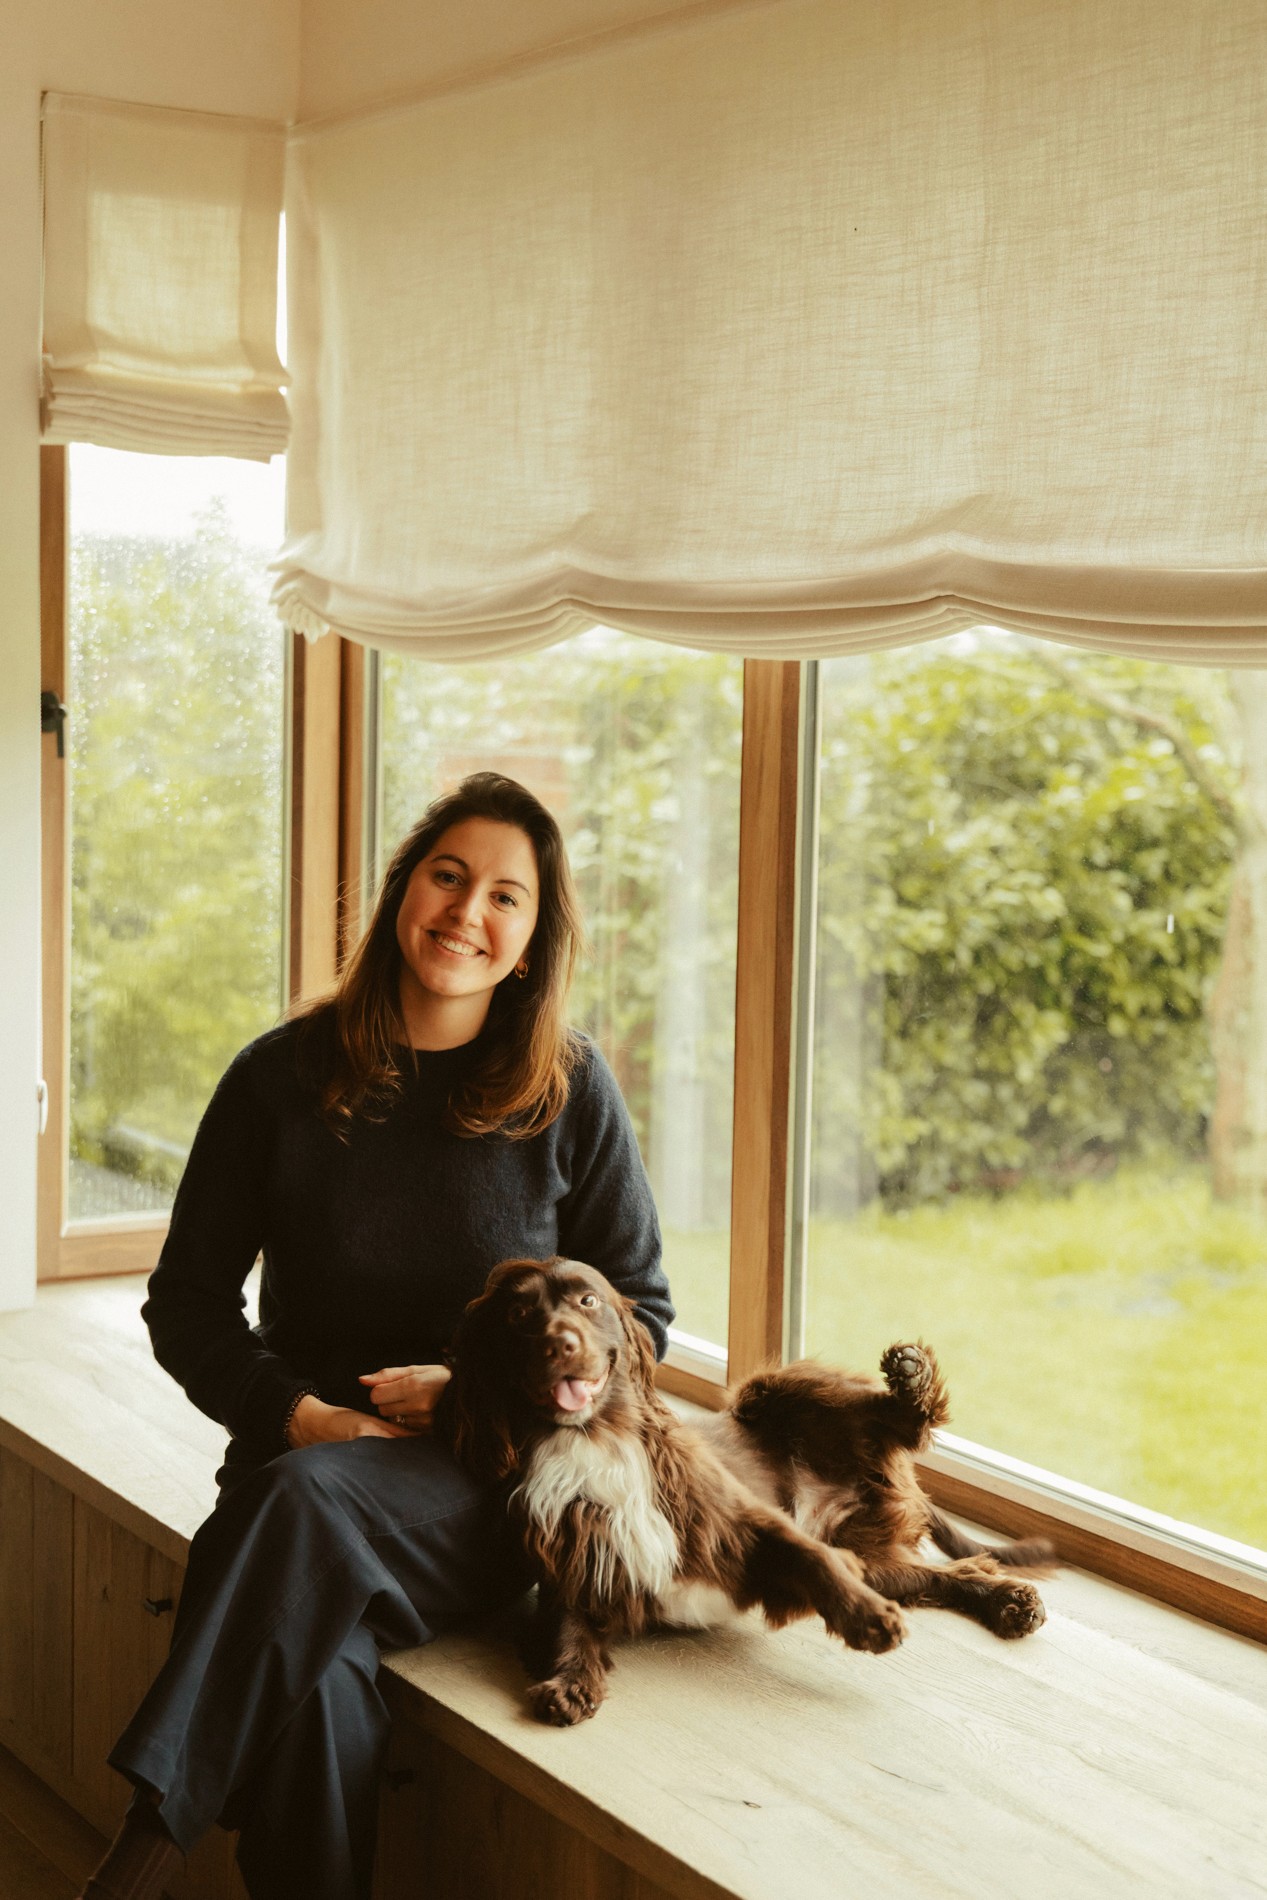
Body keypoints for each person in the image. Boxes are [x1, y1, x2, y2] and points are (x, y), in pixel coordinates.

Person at [78, 771, 674, 1900]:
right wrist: (297, 1417)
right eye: (448, 877)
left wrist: (474, 1391)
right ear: (404, 887)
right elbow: (186, 1302)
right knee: (316, 1687)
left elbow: (636, 1315)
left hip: (494, 1491)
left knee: (295, 1517)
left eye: (507, 896)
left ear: (535, 934)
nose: (468, 913)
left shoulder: (569, 1089)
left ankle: (132, 1871)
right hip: (299, 1470)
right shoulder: (277, 1079)